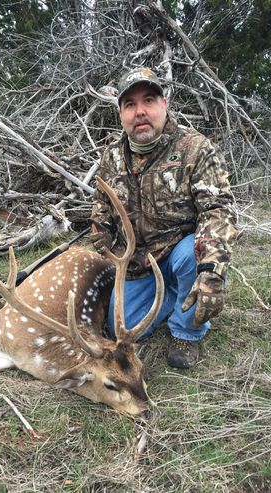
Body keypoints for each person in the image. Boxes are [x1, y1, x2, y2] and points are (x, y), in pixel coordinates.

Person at [90, 67, 238, 369]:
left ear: (164, 105)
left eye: (148, 100)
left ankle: (186, 332)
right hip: (138, 263)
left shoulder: (195, 149)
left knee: (190, 258)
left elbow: (218, 209)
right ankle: (173, 294)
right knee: (124, 329)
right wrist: (100, 229)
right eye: (130, 105)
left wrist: (211, 271)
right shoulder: (112, 157)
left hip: (178, 252)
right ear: (121, 114)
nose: (140, 112)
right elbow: (101, 202)